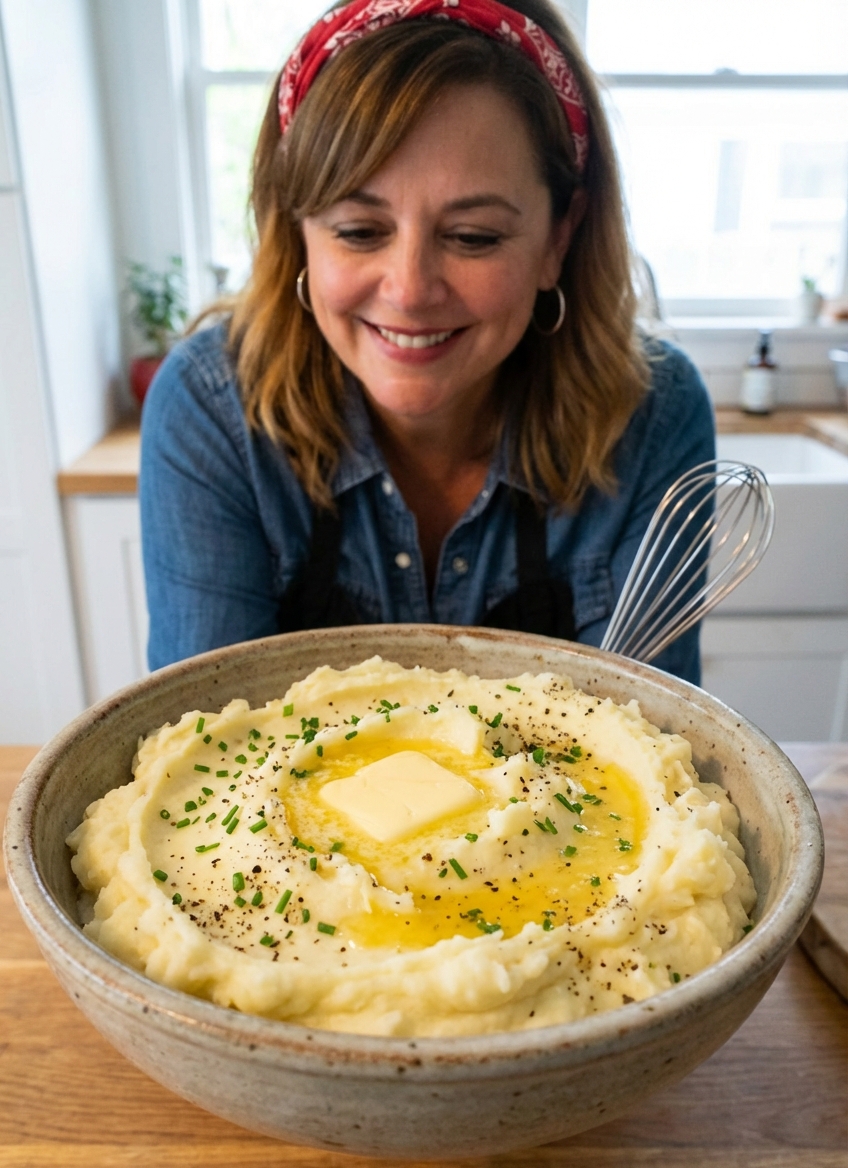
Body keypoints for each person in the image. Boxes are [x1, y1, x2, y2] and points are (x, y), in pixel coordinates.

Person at [140, 0, 714, 683]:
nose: (410, 290)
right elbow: (197, 740)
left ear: (558, 239)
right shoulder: (213, 412)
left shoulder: (654, 415)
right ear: (297, 230)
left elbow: (657, 751)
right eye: (358, 230)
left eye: (473, 237)